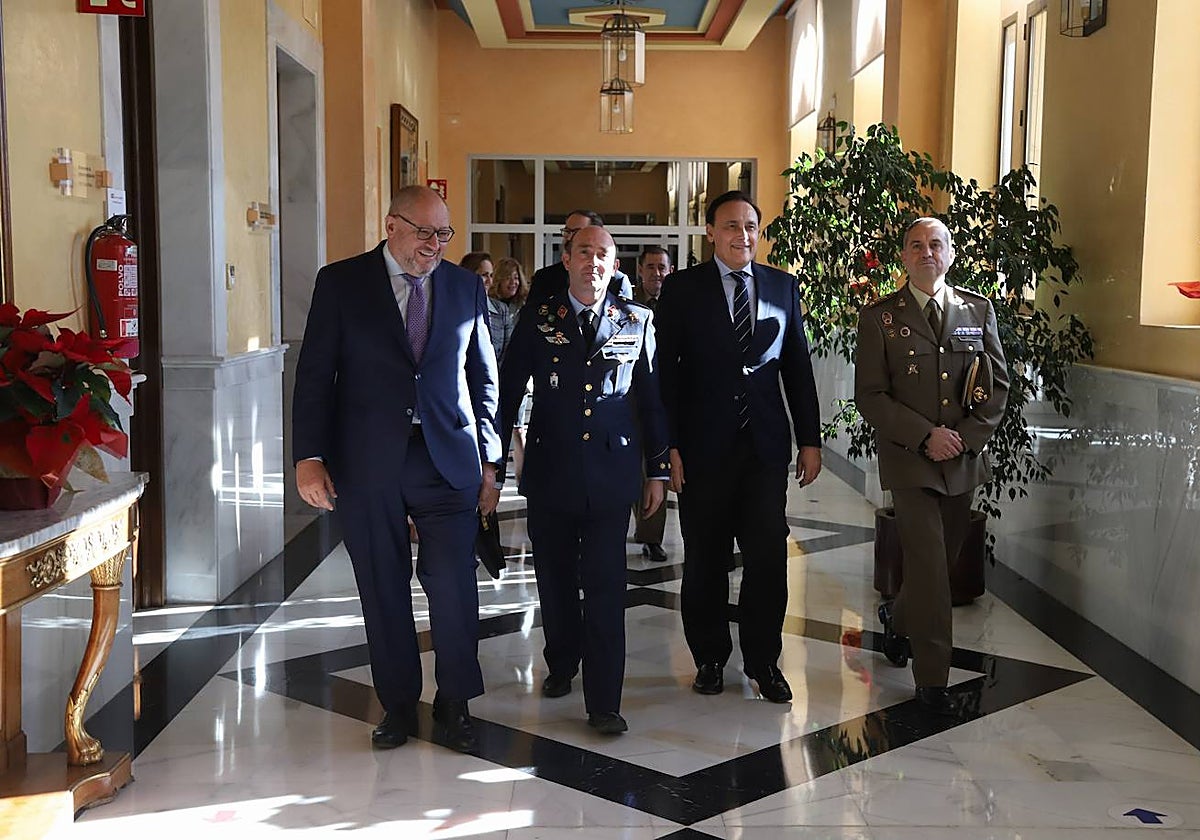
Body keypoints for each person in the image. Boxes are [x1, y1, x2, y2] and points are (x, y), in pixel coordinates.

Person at [292, 185, 502, 753]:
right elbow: (315, 375)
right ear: (391, 225)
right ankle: (399, 705)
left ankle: (456, 701)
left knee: (454, 584)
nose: (435, 245)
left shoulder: (463, 286)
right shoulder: (341, 283)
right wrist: (308, 457)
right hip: (366, 462)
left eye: (445, 234)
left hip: (447, 457)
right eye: (425, 233)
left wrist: (491, 460)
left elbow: (484, 378)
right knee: (383, 585)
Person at [498, 225, 668, 735]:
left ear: (615, 266)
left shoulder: (637, 321)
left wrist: (657, 469)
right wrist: (492, 460)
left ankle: (604, 702)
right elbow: (507, 392)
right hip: (551, 473)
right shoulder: (539, 317)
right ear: (567, 260)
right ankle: (562, 661)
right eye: (584, 252)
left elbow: (652, 401)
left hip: (612, 477)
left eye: (604, 255)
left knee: (605, 586)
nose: (593, 262)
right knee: (553, 579)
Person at [655, 189, 822, 704]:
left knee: (768, 559)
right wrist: (669, 448)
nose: (742, 236)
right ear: (710, 232)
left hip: (764, 450)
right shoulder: (682, 290)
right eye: (730, 226)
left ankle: (764, 662)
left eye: (750, 226)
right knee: (705, 559)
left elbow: (797, 369)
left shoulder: (782, 286)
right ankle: (708, 658)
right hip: (703, 450)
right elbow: (665, 377)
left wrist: (810, 439)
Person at [855, 216, 1008, 715]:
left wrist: (962, 439)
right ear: (903, 256)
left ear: (950, 253)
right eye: (916, 245)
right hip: (910, 463)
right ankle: (932, 681)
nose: (926, 252)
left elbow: (998, 387)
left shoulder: (976, 309)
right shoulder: (880, 318)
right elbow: (871, 396)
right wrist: (925, 436)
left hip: (960, 462)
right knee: (930, 569)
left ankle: (897, 620)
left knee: (935, 567)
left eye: (936, 244)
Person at [632, 245, 672, 562]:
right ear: (640, 270)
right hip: (630, 399)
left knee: (657, 469)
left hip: (666, 397)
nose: (656, 273)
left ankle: (651, 538)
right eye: (651, 267)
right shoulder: (626, 305)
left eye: (662, 267)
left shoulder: (677, 305)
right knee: (633, 469)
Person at [526, 210, 632, 306]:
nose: (569, 238)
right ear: (566, 261)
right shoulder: (545, 277)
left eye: (577, 232)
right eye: (567, 232)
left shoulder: (618, 281)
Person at [488, 257, 531, 478]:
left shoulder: (523, 307)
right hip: (494, 378)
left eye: (516, 277)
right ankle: (495, 477)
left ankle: (522, 480)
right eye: (509, 278)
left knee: (518, 428)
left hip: (517, 379)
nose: (513, 283)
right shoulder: (490, 305)